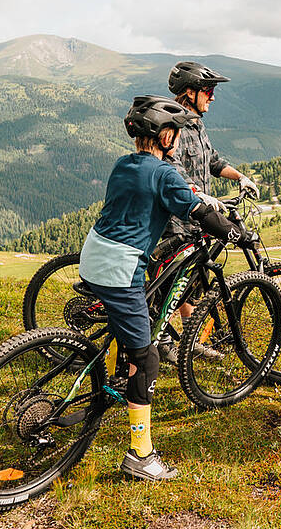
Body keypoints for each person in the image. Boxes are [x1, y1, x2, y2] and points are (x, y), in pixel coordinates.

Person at [78, 95, 249, 481]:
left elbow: (147, 201)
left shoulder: (124, 164)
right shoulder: (165, 174)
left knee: (129, 323)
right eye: (175, 131)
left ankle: (110, 380)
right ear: (166, 134)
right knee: (149, 358)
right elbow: (198, 212)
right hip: (121, 271)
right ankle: (141, 455)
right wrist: (235, 232)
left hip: (94, 257)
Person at [156, 61, 260, 364]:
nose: (212, 97)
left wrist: (240, 177)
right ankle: (161, 342)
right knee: (170, 282)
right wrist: (199, 194)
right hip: (178, 218)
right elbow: (172, 168)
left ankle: (189, 341)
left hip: (197, 215)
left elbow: (212, 160)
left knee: (191, 282)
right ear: (190, 92)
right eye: (208, 90)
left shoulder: (197, 123)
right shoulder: (173, 126)